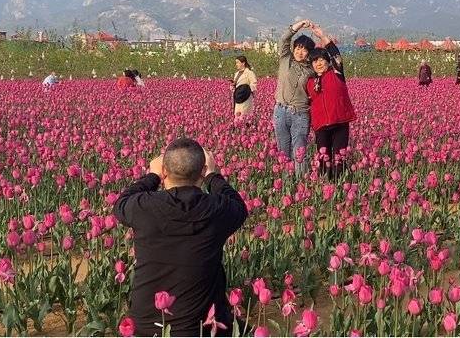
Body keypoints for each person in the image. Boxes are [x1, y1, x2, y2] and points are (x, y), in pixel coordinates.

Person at [114, 138, 248, 337]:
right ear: (202, 172)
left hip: (146, 327)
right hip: (201, 328)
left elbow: (121, 203)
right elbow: (239, 206)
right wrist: (213, 176)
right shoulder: (217, 209)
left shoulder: (143, 207)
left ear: (164, 171)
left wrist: (153, 176)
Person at [274, 19, 317, 177]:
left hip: (300, 114)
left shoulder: (312, 70)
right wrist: (298, 25)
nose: (300, 52)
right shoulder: (285, 59)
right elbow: (284, 39)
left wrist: (319, 33)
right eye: (298, 47)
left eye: (304, 50)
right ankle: (285, 182)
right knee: (283, 150)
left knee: (299, 151)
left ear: (309, 53)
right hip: (280, 111)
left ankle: (300, 185)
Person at [306, 47, 356, 181]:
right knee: (323, 157)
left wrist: (323, 37)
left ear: (328, 61)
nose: (318, 63)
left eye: (321, 59)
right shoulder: (310, 82)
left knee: (340, 157)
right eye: (315, 61)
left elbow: (337, 55)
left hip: (340, 123)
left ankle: (340, 183)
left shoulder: (337, 74)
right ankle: (325, 184)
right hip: (321, 126)